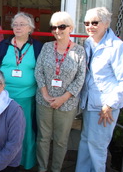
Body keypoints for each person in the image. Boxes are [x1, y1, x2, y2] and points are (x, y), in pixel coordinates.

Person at [76, 7, 123, 172]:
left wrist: (110, 105)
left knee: (97, 147)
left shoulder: (117, 47)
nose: (90, 26)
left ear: (106, 23)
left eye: (94, 22)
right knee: (85, 142)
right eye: (86, 23)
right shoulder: (88, 43)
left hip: (105, 107)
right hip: (89, 103)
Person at [0, 12, 42, 170]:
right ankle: (2, 161)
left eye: (22, 24)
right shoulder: (4, 46)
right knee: (2, 131)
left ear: (30, 28)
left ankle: (25, 162)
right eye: (15, 24)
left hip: (26, 98)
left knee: (24, 132)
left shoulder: (38, 47)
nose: (18, 27)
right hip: (3, 98)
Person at [35, 11, 86, 172]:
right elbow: (38, 71)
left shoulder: (79, 51)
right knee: (43, 138)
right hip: (44, 100)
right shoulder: (47, 47)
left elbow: (80, 78)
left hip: (67, 103)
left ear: (70, 28)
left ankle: (56, 169)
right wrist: (45, 94)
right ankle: (42, 168)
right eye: (54, 27)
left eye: (61, 26)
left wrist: (63, 98)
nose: (57, 31)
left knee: (61, 140)